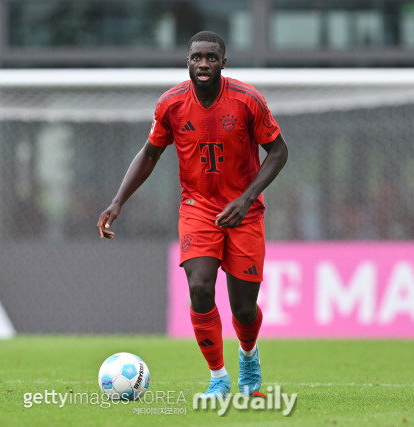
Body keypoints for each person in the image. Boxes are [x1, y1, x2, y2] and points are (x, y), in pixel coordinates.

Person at [97, 31, 288, 398]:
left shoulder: (248, 100)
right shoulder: (170, 104)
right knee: (199, 288)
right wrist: (118, 200)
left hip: (244, 213)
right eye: (197, 57)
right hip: (197, 209)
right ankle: (218, 378)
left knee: (244, 309)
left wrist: (247, 199)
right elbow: (150, 153)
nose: (203, 64)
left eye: (211, 58)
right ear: (187, 61)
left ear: (223, 63)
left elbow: (279, 152)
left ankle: (248, 355)